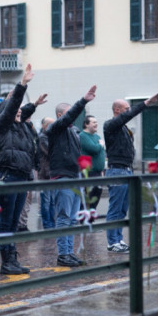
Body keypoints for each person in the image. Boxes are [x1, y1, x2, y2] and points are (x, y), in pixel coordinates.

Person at [0, 64, 37, 275]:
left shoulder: (22, 128)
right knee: (6, 222)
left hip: (21, 178)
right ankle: (6, 262)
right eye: (15, 110)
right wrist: (22, 85)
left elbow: (28, 155)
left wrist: (28, 179)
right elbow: (10, 109)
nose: (18, 111)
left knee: (15, 222)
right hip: (7, 177)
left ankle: (12, 259)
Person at [103, 91, 158, 253]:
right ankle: (112, 242)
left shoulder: (123, 128)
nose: (129, 111)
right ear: (117, 110)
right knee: (115, 208)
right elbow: (126, 117)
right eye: (126, 108)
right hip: (117, 171)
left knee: (122, 209)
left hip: (126, 171)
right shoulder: (110, 125)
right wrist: (146, 103)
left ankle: (118, 239)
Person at [45, 85, 97, 267]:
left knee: (73, 219)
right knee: (63, 217)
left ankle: (69, 252)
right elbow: (69, 116)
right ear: (60, 115)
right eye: (68, 114)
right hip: (63, 177)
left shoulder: (73, 132)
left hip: (75, 177)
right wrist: (83, 101)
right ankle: (63, 254)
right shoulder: (55, 129)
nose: (73, 118)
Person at [79, 115, 105, 210]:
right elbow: (94, 149)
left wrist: (102, 170)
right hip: (89, 173)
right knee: (88, 199)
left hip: (98, 173)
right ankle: (83, 221)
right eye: (93, 122)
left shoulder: (97, 136)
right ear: (86, 124)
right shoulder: (82, 136)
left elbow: (101, 153)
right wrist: (100, 144)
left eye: (96, 122)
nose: (96, 124)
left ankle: (90, 218)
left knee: (96, 198)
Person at [37, 117, 56, 229]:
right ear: (44, 125)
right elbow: (50, 152)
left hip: (53, 172)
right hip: (45, 173)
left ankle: (52, 223)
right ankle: (47, 224)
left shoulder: (52, 136)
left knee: (52, 200)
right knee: (46, 201)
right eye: (50, 124)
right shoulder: (42, 137)